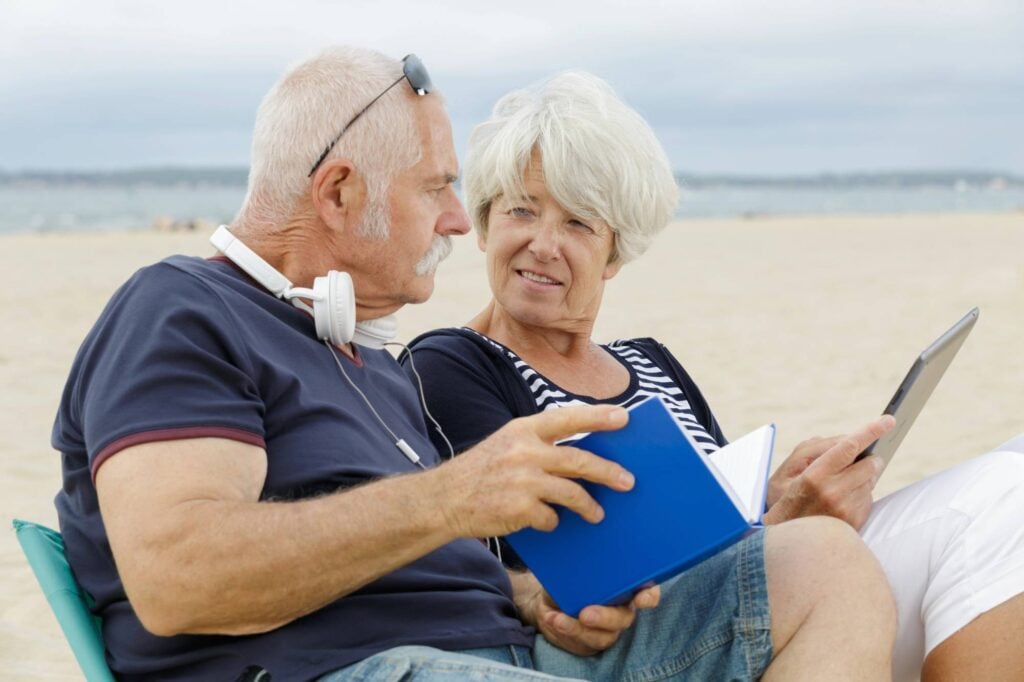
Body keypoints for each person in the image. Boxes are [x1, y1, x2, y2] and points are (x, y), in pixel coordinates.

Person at [53, 47, 898, 681]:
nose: (462, 222)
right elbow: (179, 580)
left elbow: (442, 560)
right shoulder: (182, 311)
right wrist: (451, 497)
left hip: (515, 653)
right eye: (438, 189)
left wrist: (538, 602)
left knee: (826, 565)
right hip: (363, 670)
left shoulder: (364, 359)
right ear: (340, 191)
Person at [401, 71, 1024, 682]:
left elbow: (715, 524)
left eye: (578, 223)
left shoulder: (650, 362)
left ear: (614, 253)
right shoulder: (454, 364)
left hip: (752, 604)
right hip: (623, 643)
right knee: (997, 502)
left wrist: (778, 497)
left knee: (1011, 477)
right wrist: (791, 525)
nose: (543, 243)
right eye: (521, 211)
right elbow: (532, 575)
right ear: (484, 226)